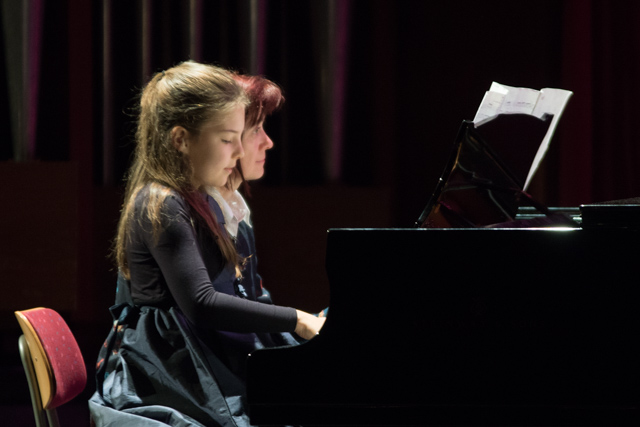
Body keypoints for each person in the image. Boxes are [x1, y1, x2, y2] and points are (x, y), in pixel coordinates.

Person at [89, 60, 324, 427]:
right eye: (228, 139)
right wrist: (297, 319)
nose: (239, 151)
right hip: (169, 367)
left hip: (200, 352)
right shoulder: (161, 203)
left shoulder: (201, 200)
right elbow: (201, 303)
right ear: (181, 140)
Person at [206, 73, 328, 325]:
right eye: (256, 129)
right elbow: (217, 315)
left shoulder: (236, 209)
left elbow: (255, 304)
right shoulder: (198, 213)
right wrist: (299, 322)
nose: (269, 142)